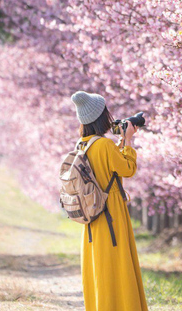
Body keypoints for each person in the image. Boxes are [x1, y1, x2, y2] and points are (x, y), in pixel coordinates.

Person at [71, 91, 148, 311]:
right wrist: (128, 140)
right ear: (100, 117)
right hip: (111, 211)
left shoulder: (81, 145)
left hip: (92, 215)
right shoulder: (104, 145)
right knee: (119, 265)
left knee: (101, 268)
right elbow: (128, 169)